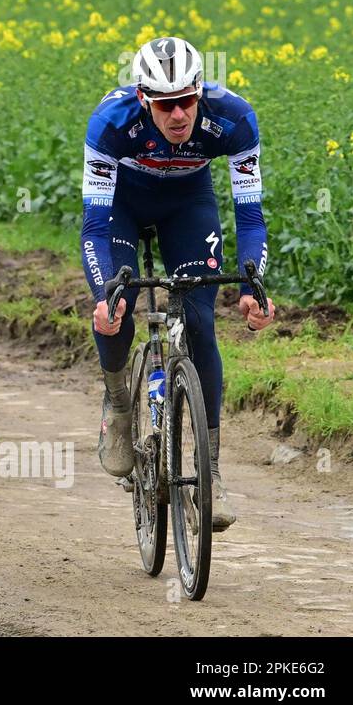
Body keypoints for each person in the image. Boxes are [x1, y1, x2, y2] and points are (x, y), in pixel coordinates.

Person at [82, 36, 276, 531]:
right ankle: (120, 405)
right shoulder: (111, 123)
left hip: (188, 205)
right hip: (122, 209)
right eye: (166, 105)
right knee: (117, 309)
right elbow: (95, 228)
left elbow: (250, 216)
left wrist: (254, 284)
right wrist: (105, 294)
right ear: (145, 99)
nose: (178, 116)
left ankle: (210, 471)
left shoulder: (233, 118)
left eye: (186, 101)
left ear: (199, 91)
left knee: (200, 322)